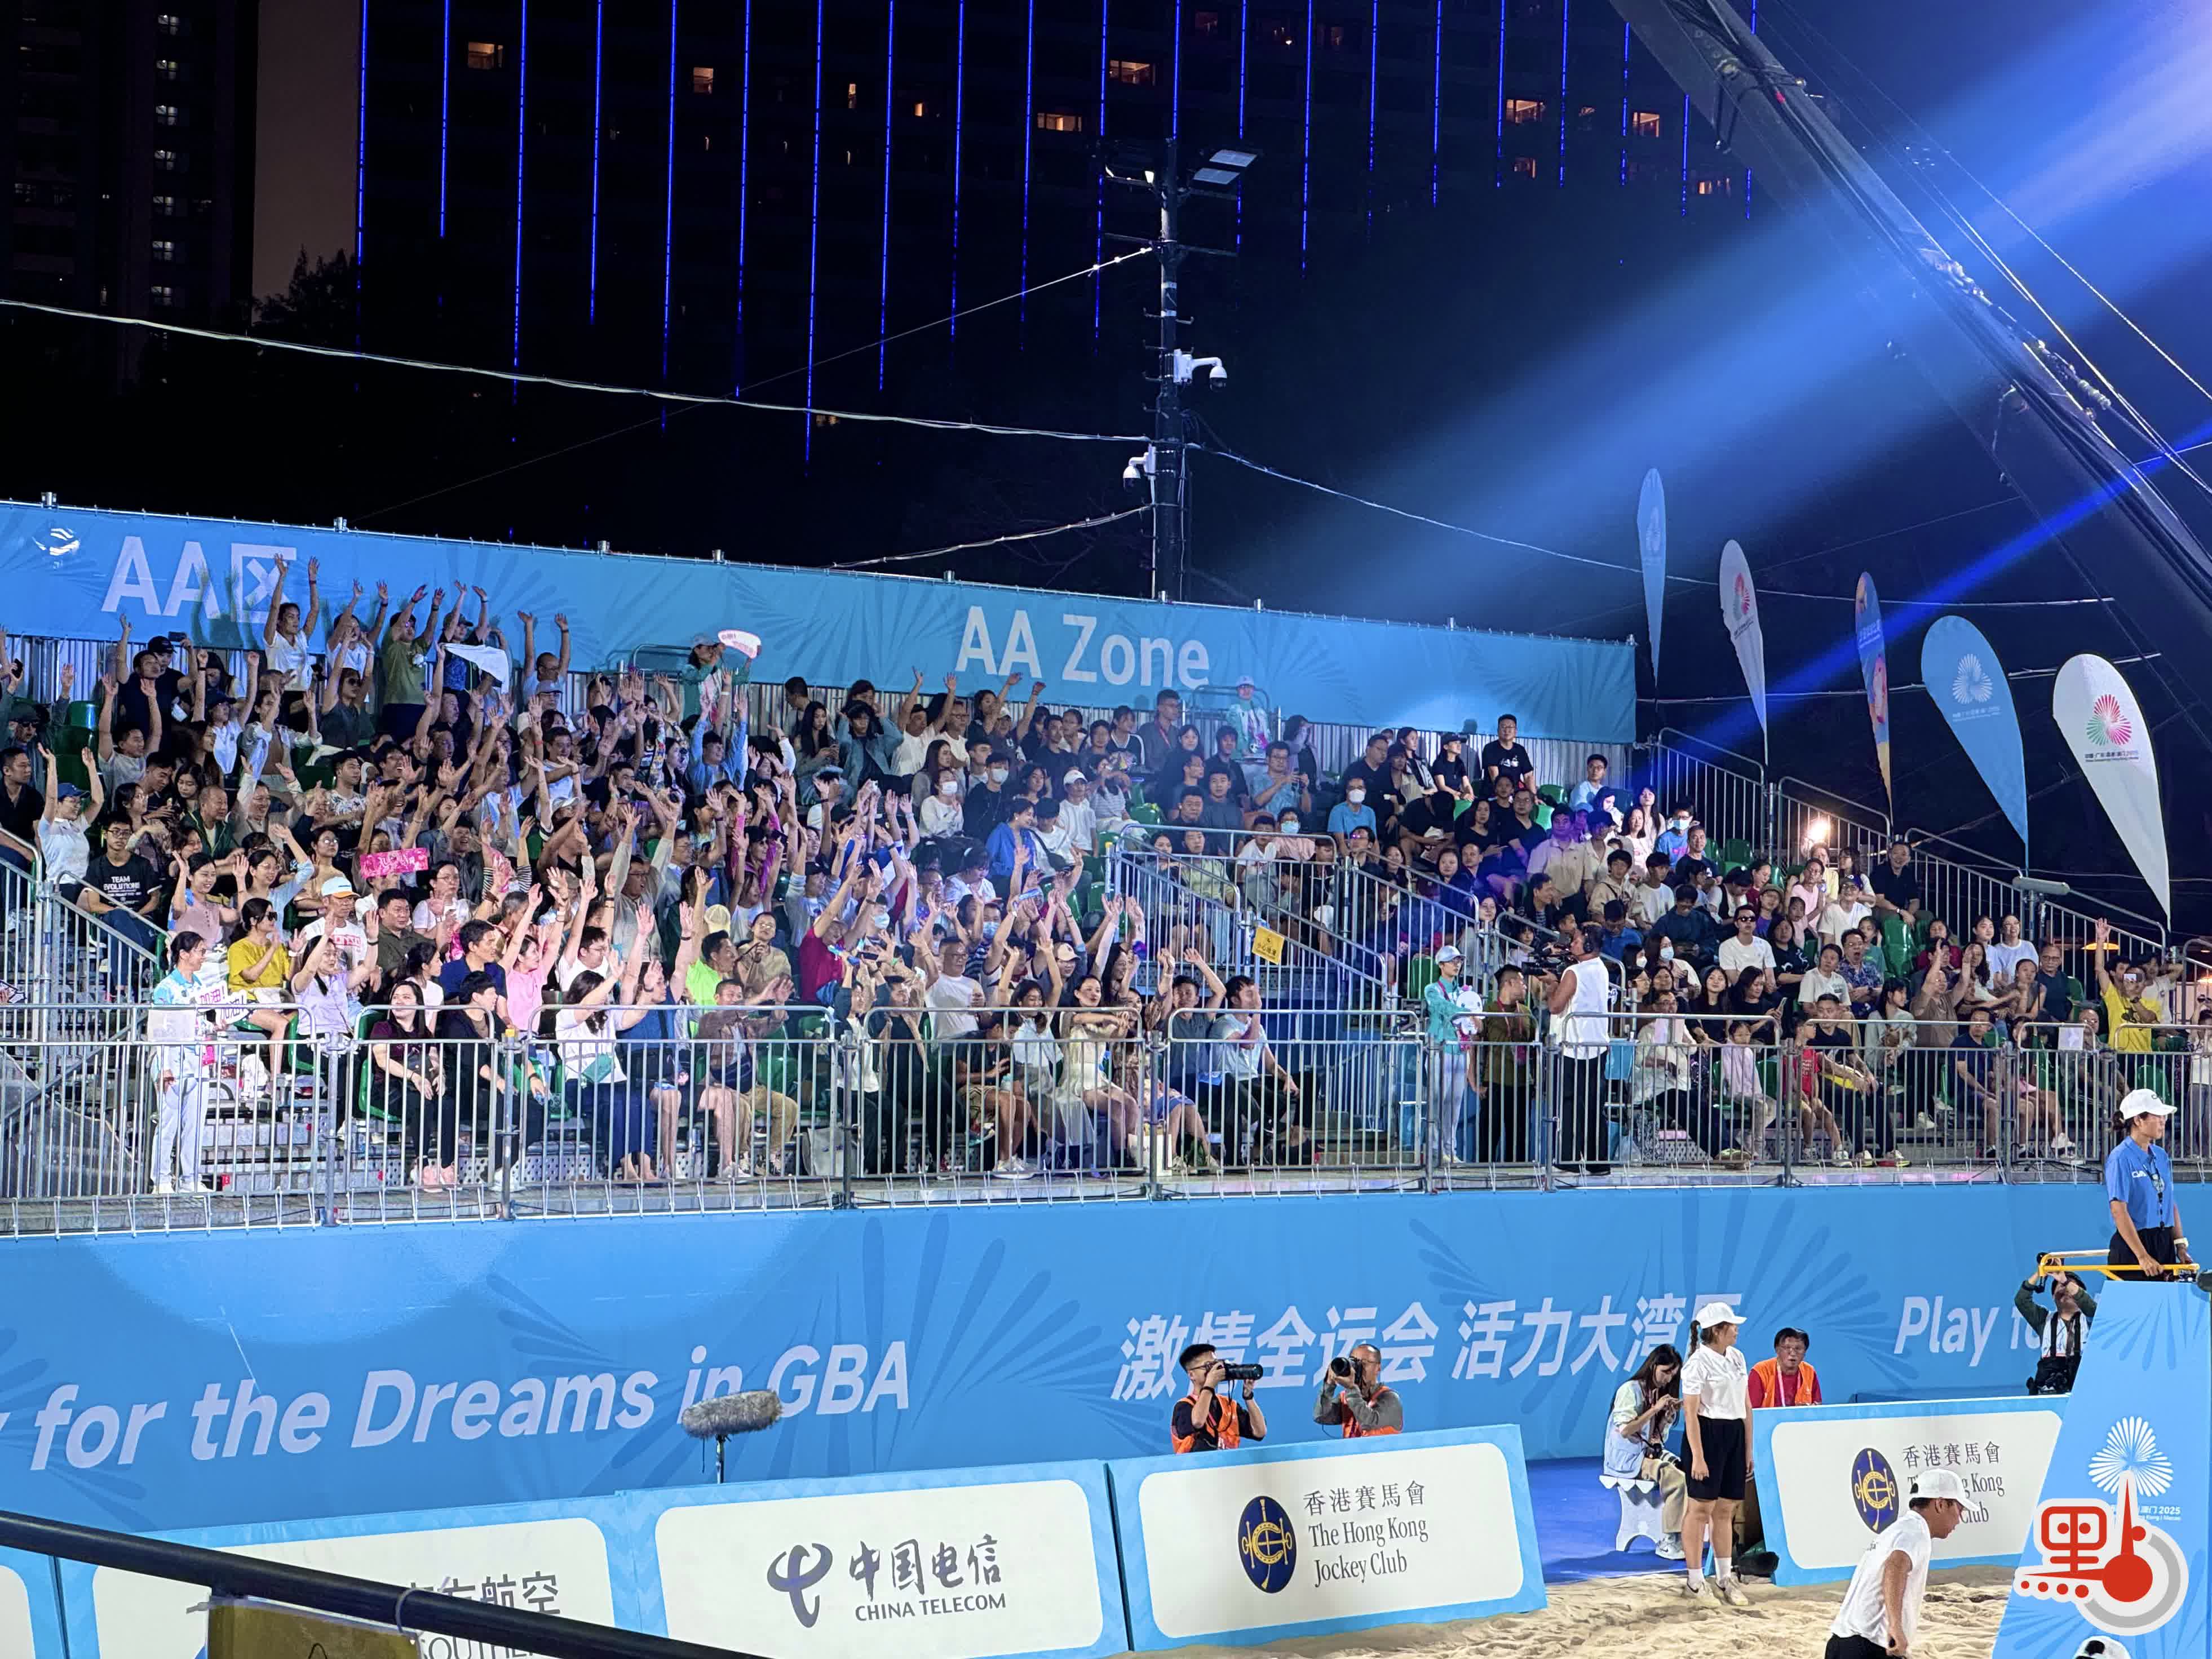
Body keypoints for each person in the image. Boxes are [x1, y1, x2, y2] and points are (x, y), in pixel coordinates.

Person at [1824, 1467, 1968, 1659]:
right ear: (1940, 1504)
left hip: (1842, 1643)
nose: (1960, 1519)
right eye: (1959, 1509)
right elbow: (1896, 1565)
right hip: (1869, 1646)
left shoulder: (1899, 1530)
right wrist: (1895, 1626)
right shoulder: (1916, 1531)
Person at [1680, 1300, 1752, 1607]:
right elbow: (1691, 1413)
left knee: (1726, 1509)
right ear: (1718, 1330)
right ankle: (1695, 1580)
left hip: (1734, 1433)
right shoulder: (1697, 1364)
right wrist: (1698, 1456)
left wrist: (1748, 1448)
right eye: (1732, 1326)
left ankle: (1724, 1577)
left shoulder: (1737, 1357)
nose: (1736, 1330)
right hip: (1708, 1435)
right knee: (1700, 1509)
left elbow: (1746, 1405)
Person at [1738, 1326, 1821, 1563]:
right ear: (1777, 1350)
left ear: (1805, 1352)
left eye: (1798, 1349)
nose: (1792, 1353)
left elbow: (1818, 1408)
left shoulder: (1810, 1372)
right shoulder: (1760, 1372)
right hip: (1763, 1446)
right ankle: (1748, 1545)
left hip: (1797, 1446)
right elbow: (1749, 1414)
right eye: (1787, 1348)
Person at [1604, 1345, 1687, 1562]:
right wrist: (1655, 1409)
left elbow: (1655, 1439)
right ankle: (1669, 1540)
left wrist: (1666, 1418)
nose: (1668, 1379)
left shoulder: (1657, 1393)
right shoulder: (1629, 1390)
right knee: (1675, 1479)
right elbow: (1626, 1431)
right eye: (1665, 1372)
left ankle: (1687, 1533)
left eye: (1673, 1375)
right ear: (1653, 1366)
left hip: (1646, 1454)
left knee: (1687, 1470)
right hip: (1627, 1458)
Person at [148, 932, 214, 1195]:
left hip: (198, 1059)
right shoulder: (165, 988)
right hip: (173, 1059)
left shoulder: (200, 985)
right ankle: (162, 1179)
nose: (204, 956)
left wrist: (216, 1026)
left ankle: (190, 1178)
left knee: (195, 1124)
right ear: (184, 955)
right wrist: (164, 1066)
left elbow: (201, 1023)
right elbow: (159, 1030)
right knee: (168, 1122)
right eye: (200, 951)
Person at [1547, 924, 1612, 1172]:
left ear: (1588, 943)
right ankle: (1598, 1162)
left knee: (1571, 1104)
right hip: (1598, 1044)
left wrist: (1552, 986)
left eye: (1576, 940)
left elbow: (1555, 1007)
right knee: (1595, 1106)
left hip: (1574, 1046)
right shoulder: (1602, 968)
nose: (1572, 944)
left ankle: (1570, 1159)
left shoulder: (1574, 972)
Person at [2106, 1086, 2187, 1277]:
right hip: (2134, 1246)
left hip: (2164, 1242)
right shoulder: (2120, 1157)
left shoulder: (2161, 1156)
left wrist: (2180, 1246)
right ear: (2138, 1120)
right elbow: (2118, 1210)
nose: (2163, 1120)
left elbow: (2169, 1203)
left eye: (2164, 1116)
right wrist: (2142, 1256)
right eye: (2157, 1115)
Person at [1171, 1342, 1266, 1452]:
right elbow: (1198, 1422)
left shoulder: (1229, 1405)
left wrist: (1248, 1396)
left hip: (1228, 1463)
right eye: (1208, 1366)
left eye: (1215, 1364)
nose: (1214, 1370)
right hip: (1196, 1463)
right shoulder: (1184, 1406)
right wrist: (1209, 1385)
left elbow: (1260, 1432)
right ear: (1192, 1375)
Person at [2016, 1267, 2096, 1395]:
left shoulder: (2091, 1319)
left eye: (2070, 1287)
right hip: (2049, 1390)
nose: (2066, 1290)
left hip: (2083, 1387)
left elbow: (2090, 1307)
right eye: (2061, 1287)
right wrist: (2040, 1271)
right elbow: (2021, 1300)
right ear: (2053, 1296)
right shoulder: (2043, 1319)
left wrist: (2064, 1281)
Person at [1312, 1342, 1403, 1437]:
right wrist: (1329, 1384)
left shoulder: (1390, 1398)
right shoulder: (1347, 1396)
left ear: (1378, 1368)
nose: (1357, 1368)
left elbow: (1369, 1423)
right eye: (1353, 1362)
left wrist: (1351, 1389)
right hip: (1351, 1447)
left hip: (1382, 1447)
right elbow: (1321, 1416)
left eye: (1364, 1363)